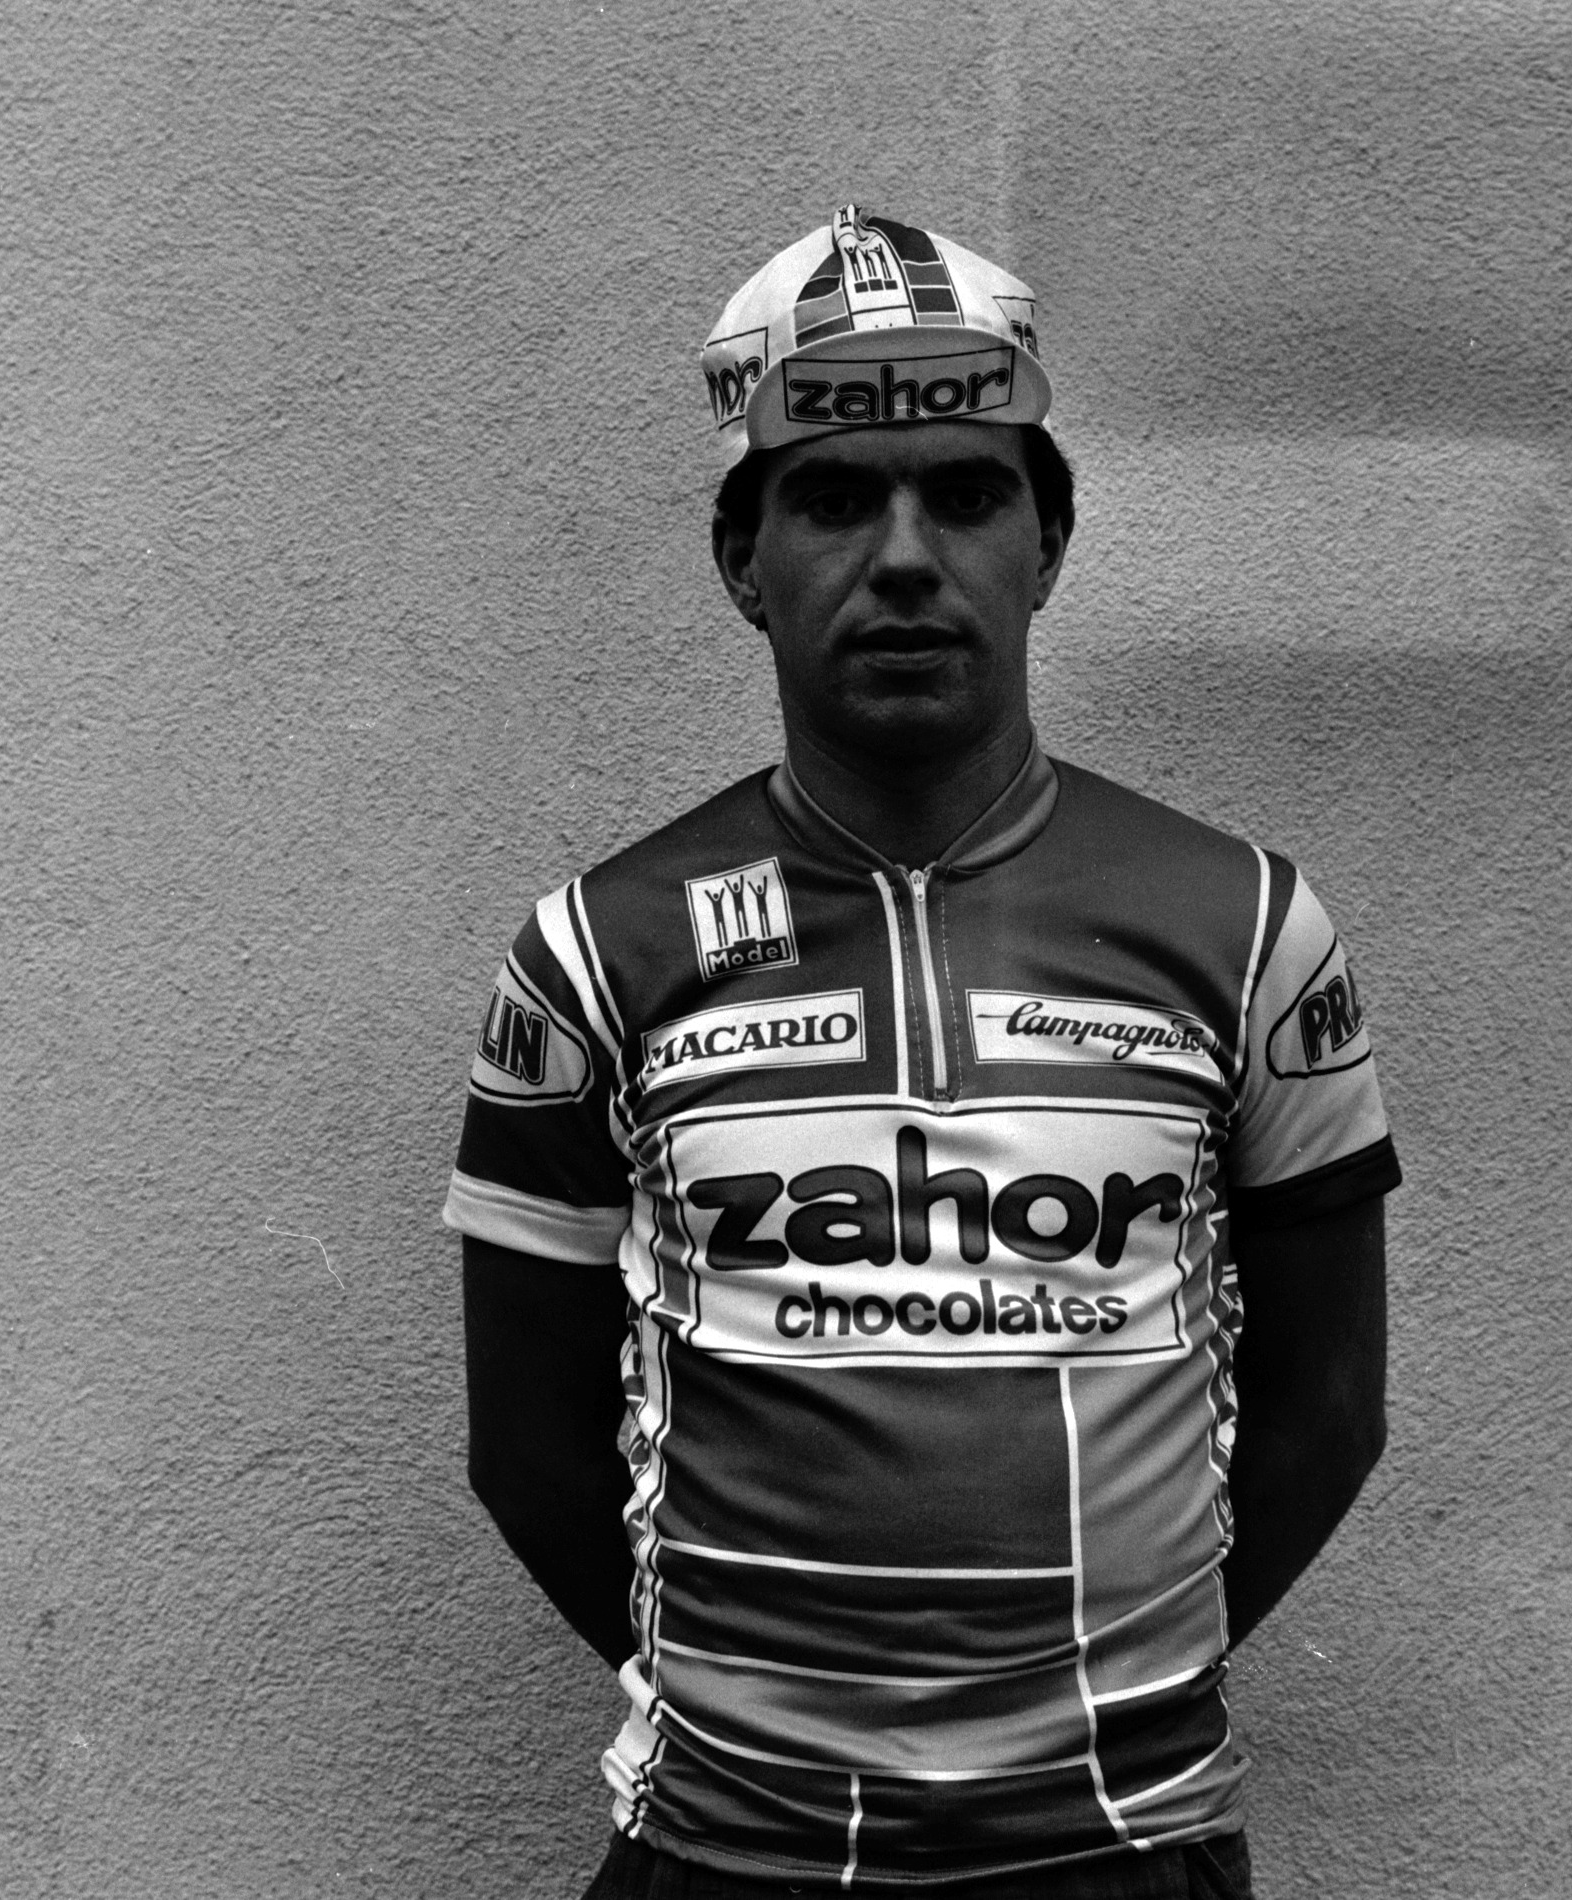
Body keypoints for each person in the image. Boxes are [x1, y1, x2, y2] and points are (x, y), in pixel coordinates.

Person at [445, 206, 1399, 1898]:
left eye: (964, 495)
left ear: (1050, 540)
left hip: (1125, 1852)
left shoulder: (1248, 924)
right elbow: (523, 1450)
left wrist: (1101, 1705)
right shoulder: (595, 951)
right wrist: (761, 1740)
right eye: (832, 500)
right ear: (741, 560)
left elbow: (1328, 1412)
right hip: (725, 1861)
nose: (902, 557)